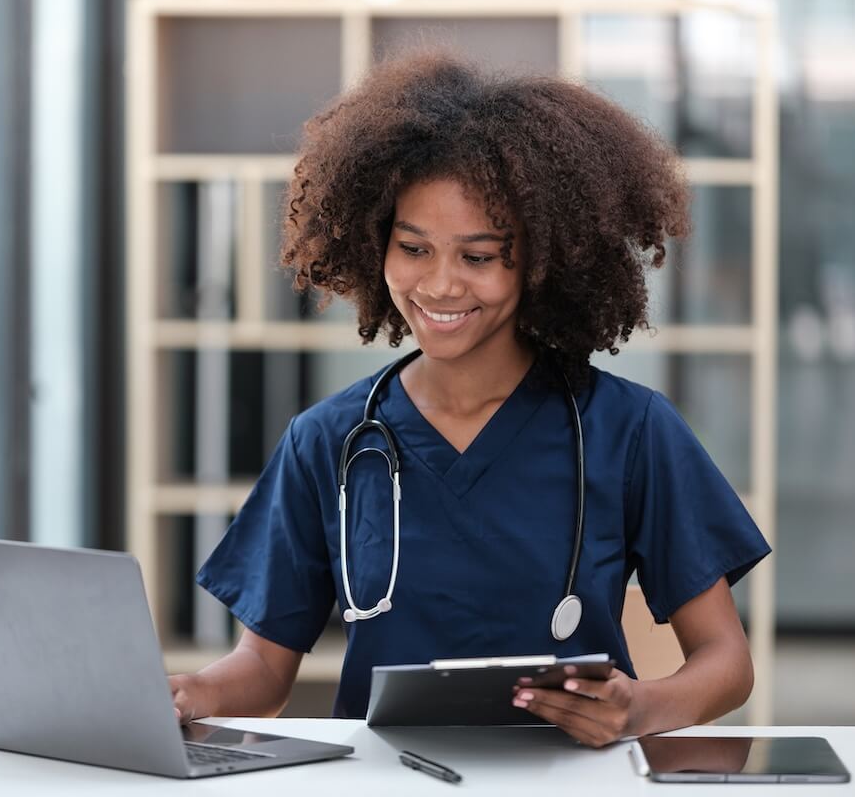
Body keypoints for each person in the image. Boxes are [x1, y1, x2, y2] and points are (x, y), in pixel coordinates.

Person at [169, 51, 771, 748]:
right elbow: (263, 670)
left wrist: (640, 709)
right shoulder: (326, 441)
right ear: (375, 245)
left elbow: (727, 665)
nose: (441, 285)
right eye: (414, 248)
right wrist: (192, 691)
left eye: (479, 257)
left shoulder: (630, 431)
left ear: (546, 259)